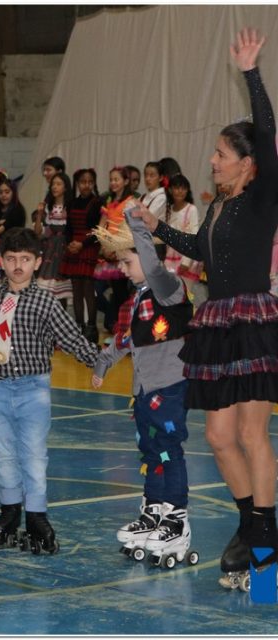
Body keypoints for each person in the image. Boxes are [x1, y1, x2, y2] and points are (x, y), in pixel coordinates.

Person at [134, 28, 278, 589]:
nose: (212, 161)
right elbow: (201, 248)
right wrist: (157, 226)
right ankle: (250, 523)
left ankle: (265, 542)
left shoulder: (263, 196)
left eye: (221, 154)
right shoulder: (218, 204)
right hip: (217, 322)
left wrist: (251, 73)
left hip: (254, 322)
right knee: (218, 437)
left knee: (251, 434)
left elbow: (267, 133)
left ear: (247, 163)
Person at [0, 227, 99, 553]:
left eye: (25, 259)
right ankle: (9, 511)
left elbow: (72, 338)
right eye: (11, 259)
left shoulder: (46, 301)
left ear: (37, 262)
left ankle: (36, 515)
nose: (17, 265)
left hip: (33, 389)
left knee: (34, 454)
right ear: (1, 261)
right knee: (4, 453)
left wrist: (100, 362)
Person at [92, 210, 194, 566]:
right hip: (144, 391)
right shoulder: (137, 299)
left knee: (169, 449)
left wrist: (138, 227)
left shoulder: (169, 288)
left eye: (127, 261)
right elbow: (126, 339)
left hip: (169, 387)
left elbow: (152, 267)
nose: (122, 269)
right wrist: (103, 362)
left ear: (148, 256)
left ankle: (176, 518)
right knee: (151, 452)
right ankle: (154, 510)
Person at [62, 168, 102, 343]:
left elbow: (98, 230)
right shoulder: (71, 202)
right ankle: (79, 326)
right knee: (76, 290)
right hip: (73, 247)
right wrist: (69, 243)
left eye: (90, 182)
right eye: (83, 182)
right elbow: (68, 227)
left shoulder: (97, 202)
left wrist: (82, 244)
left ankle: (92, 328)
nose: (86, 185)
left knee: (88, 289)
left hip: (89, 246)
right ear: (77, 184)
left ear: (93, 184)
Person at [94, 166, 134, 334]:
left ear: (126, 181)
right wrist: (104, 246)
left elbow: (129, 229)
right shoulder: (109, 201)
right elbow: (102, 226)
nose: (113, 182)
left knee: (122, 293)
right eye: (111, 179)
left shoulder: (130, 202)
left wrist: (115, 247)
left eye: (117, 179)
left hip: (122, 250)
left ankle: (125, 328)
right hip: (109, 250)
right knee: (116, 293)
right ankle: (118, 327)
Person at [34, 173, 71, 305]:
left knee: (62, 289)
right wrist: (39, 214)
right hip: (50, 249)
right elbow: (39, 232)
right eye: (53, 184)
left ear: (66, 187)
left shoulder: (70, 206)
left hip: (64, 249)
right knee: (48, 288)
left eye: (58, 184)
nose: (54, 187)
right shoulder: (48, 207)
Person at [163, 174, 202, 294]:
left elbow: (194, 235)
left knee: (185, 295)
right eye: (176, 187)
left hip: (186, 259)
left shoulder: (191, 209)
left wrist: (186, 262)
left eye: (183, 188)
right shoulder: (168, 210)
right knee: (170, 295)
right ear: (170, 190)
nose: (180, 191)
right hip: (170, 259)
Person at [0, 177, 26, 288]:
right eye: (0, 192)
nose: (3, 195)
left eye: (7, 192)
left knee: (10, 282)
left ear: (14, 193)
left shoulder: (18, 209)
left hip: (12, 250)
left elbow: (10, 224)